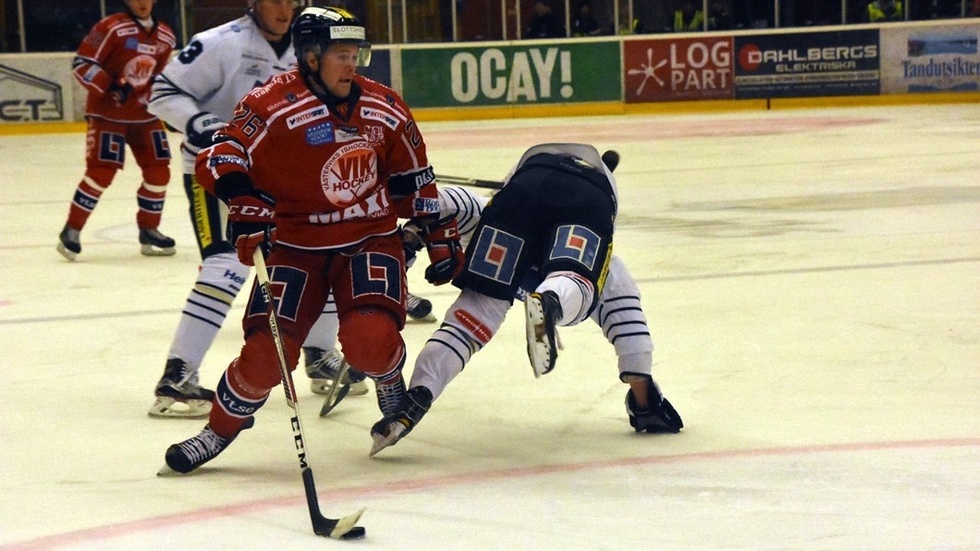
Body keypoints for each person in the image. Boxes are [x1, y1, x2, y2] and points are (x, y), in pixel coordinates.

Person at [160, 6, 464, 474]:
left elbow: (415, 180)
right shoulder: (272, 104)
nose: (353, 64)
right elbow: (220, 154)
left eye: (356, 53)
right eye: (342, 54)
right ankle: (217, 430)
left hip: (368, 242)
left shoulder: (384, 105)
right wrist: (242, 198)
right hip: (296, 248)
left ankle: (386, 375)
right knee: (266, 357)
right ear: (310, 56)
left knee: (369, 340)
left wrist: (437, 233)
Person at [370, 144, 683, 456]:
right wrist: (646, 404)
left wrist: (410, 237)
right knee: (580, 282)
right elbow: (631, 333)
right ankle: (552, 301)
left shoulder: (486, 211)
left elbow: (445, 202)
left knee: (471, 319)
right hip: (590, 192)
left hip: (522, 189)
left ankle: (416, 399)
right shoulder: (611, 269)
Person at [145, 0, 357, 418]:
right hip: (219, 175)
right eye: (274, 0)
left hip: (279, 179)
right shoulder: (221, 43)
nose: (284, 8)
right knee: (225, 265)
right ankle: (177, 374)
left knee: (326, 250)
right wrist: (201, 123)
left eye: (290, 1)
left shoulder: (308, 47)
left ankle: (318, 353)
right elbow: (161, 92)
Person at [58, 0, 177, 261]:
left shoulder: (166, 35)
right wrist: (111, 86)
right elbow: (83, 63)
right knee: (101, 171)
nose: (143, 2)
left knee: (159, 171)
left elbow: (161, 76)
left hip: (145, 115)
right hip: (107, 114)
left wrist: (168, 106)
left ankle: (149, 229)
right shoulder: (111, 27)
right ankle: (72, 229)